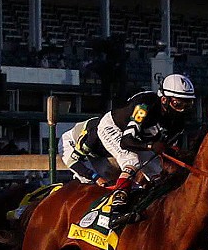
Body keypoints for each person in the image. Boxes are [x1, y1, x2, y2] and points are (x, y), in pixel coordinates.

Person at [60, 74, 198, 230]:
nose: (183, 110)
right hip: (113, 129)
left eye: (188, 104)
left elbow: (163, 151)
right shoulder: (144, 106)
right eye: (178, 104)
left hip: (131, 140)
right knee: (131, 160)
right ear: (164, 99)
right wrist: (151, 146)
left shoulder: (178, 123)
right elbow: (126, 142)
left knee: (157, 171)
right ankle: (117, 206)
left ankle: (156, 206)